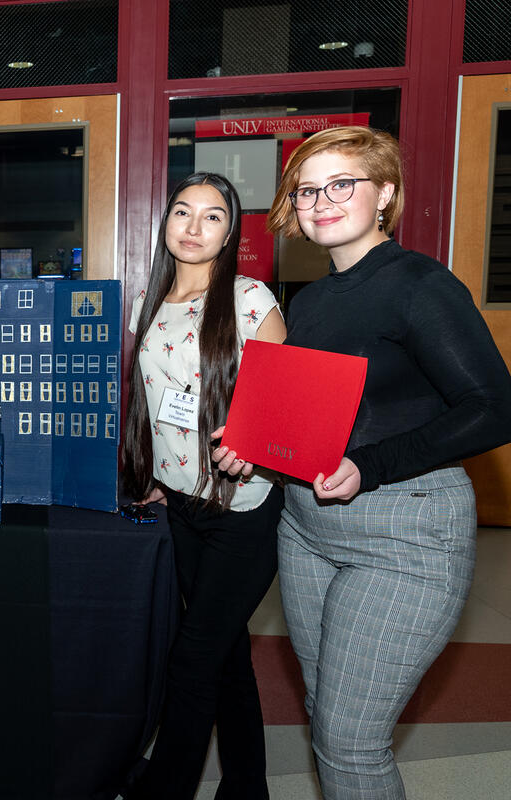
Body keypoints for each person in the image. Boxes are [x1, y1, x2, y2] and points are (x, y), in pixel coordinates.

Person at [236, 125, 511, 799]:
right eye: (306, 189)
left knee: (350, 740)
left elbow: (494, 408)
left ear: (384, 194)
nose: (320, 201)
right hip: (307, 533)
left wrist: (372, 465)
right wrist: (250, 443)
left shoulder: (419, 284)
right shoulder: (313, 298)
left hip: (403, 536)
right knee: (327, 716)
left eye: (341, 184)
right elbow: (314, 416)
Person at [121, 172, 286, 799]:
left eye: (212, 217)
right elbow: (152, 400)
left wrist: (256, 443)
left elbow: (281, 411)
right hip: (183, 505)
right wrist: (160, 475)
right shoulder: (149, 298)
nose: (193, 227)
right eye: (183, 212)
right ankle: (247, 788)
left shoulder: (250, 301)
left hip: (244, 512)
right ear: (165, 222)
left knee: (192, 660)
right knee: (227, 657)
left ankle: (164, 788)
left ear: (230, 231)